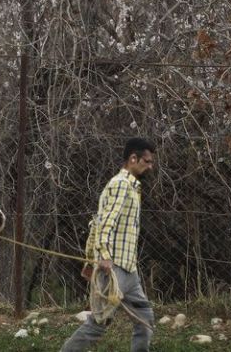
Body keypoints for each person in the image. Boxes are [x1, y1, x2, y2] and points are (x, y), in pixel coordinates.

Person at [61, 137, 156, 352]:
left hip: (129, 271)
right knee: (97, 325)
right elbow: (105, 223)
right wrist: (103, 255)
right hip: (113, 270)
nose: (150, 166)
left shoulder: (132, 187)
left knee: (144, 318)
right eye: (147, 161)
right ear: (133, 158)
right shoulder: (120, 185)